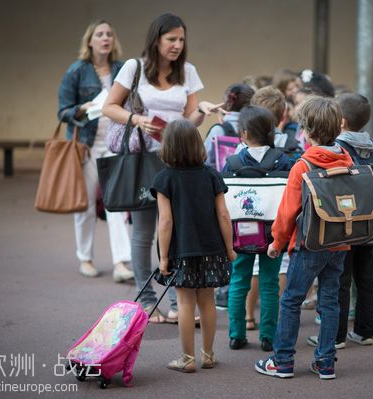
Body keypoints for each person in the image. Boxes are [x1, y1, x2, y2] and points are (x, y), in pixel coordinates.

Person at [103, 13, 222, 323]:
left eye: (181, 40)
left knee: (177, 229)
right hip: (144, 159)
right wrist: (137, 119)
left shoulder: (188, 72)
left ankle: (176, 298)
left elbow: (188, 121)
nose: (177, 46)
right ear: (156, 40)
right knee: (144, 231)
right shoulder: (134, 67)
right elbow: (109, 107)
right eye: (171, 39)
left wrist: (203, 111)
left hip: (178, 161)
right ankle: (145, 297)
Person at [255, 96, 353, 380]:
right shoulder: (346, 160)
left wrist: (276, 243)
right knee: (330, 301)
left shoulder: (304, 165)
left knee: (291, 301)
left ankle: (282, 361)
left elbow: (287, 212)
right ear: (338, 127)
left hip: (309, 244)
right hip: (340, 241)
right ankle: (325, 362)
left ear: (306, 131)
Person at [313, 93, 373, 348]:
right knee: (365, 279)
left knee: (340, 279)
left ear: (339, 122)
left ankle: (336, 336)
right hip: (369, 222)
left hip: (344, 223)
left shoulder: (338, 147)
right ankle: (364, 331)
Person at [152, 119, 236, 372]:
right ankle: (208, 355)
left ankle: (187, 359)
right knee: (207, 301)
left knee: (185, 302)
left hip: (181, 249)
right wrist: (230, 248)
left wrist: (163, 257)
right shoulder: (211, 174)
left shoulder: (164, 178)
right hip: (212, 247)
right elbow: (223, 215)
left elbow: (166, 221)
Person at [57, 20, 134, 282]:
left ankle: (121, 262)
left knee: (117, 205)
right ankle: (85, 258)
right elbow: (63, 111)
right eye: (99, 34)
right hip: (86, 147)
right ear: (89, 41)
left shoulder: (122, 69)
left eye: (109, 34)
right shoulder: (76, 71)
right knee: (86, 205)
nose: (105, 38)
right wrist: (81, 109)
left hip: (114, 144)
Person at [223, 106, 292, 352]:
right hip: (273, 232)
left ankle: (236, 335)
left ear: (242, 134)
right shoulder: (283, 160)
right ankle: (268, 337)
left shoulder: (232, 162)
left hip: (241, 233)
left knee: (239, 281)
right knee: (270, 283)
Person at [204, 83, 255, 169]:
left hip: (222, 180)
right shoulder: (257, 128)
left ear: (226, 101)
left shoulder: (218, 130)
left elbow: (206, 160)